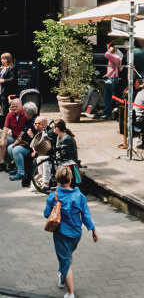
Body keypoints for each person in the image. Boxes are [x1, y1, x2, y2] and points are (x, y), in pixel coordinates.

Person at [43, 166, 97, 298]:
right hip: (76, 234)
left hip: (61, 234)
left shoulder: (53, 196)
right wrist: (93, 230)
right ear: (71, 179)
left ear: (58, 179)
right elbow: (86, 216)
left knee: (65, 261)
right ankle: (62, 278)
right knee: (66, 257)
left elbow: (46, 214)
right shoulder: (79, 196)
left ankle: (71, 292)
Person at [7, 102, 38, 183]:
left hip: (32, 147)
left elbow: (33, 140)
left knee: (16, 150)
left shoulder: (35, 122)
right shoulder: (27, 120)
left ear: (28, 113)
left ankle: (21, 173)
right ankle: (18, 168)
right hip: (25, 144)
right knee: (10, 148)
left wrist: (18, 143)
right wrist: (16, 143)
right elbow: (22, 133)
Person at [1, 98, 26, 173]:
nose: (14, 108)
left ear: (21, 106)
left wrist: (16, 142)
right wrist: (2, 139)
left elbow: (24, 132)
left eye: (16, 106)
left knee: (11, 147)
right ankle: (2, 163)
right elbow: (5, 128)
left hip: (23, 138)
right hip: (13, 137)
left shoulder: (25, 114)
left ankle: (14, 164)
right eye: (12, 106)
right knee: (2, 141)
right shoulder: (10, 114)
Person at [100, 43, 123, 119]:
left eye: (108, 47)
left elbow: (106, 54)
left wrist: (110, 49)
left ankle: (107, 113)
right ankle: (108, 113)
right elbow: (119, 69)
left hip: (111, 79)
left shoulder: (114, 57)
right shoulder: (118, 57)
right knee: (110, 97)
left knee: (107, 97)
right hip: (113, 78)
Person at [0, 52, 17, 118]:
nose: (1, 60)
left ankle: (5, 125)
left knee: (5, 110)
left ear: (7, 59)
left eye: (3, 59)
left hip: (6, 92)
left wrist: (3, 80)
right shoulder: (2, 68)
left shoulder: (12, 68)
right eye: (1, 59)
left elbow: (13, 79)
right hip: (1, 91)